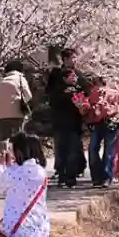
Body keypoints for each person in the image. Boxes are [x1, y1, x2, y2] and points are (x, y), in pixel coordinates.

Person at [0, 133, 51, 237]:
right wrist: (11, 167)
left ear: (20, 152)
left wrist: (0, 165)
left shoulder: (14, 172)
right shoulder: (42, 173)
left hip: (16, 235)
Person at [46, 48, 88, 188]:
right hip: (59, 118)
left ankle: (71, 176)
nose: (74, 61)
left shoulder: (79, 76)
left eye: (76, 58)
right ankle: (62, 175)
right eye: (72, 58)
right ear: (64, 59)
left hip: (75, 120)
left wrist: (77, 87)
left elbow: (87, 92)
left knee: (74, 149)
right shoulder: (56, 75)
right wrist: (66, 88)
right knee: (61, 148)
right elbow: (51, 96)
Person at [82, 76, 119, 188]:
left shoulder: (115, 92)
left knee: (108, 151)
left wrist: (108, 110)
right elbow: (89, 107)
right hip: (97, 123)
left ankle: (106, 176)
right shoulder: (94, 92)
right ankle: (97, 177)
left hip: (111, 123)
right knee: (93, 149)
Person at [0, 60, 33, 140]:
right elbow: (28, 96)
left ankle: (4, 152)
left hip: (2, 115)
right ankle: (16, 152)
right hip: (18, 114)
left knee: (4, 139)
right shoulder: (21, 80)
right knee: (18, 139)